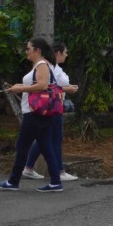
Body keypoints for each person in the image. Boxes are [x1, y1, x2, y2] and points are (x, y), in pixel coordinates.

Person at [0, 38, 64, 193]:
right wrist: (21, 86)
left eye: (28, 48)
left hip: (34, 112)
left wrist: (21, 89)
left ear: (37, 50)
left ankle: (13, 181)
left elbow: (43, 85)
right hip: (36, 112)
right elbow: (37, 85)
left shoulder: (42, 64)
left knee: (23, 146)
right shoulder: (41, 65)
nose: (27, 51)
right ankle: (55, 181)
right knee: (45, 145)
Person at [23, 42, 79, 181]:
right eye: (65, 52)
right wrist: (67, 89)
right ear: (58, 53)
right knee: (53, 138)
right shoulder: (47, 67)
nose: (66, 55)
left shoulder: (54, 67)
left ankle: (29, 168)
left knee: (44, 139)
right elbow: (47, 86)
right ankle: (58, 172)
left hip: (54, 105)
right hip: (49, 106)